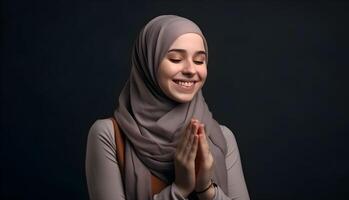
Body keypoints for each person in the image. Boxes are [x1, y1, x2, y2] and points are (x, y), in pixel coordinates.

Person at [85, 15, 250, 200]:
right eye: (176, 59)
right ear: (148, 62)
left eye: (199, 61)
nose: (190, 70)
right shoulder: (109, 135)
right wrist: (179, 190)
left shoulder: (221, 137)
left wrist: (207, 190)